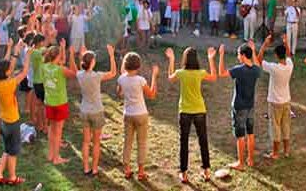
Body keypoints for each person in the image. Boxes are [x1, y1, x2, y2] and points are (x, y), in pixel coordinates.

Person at [165, 46, 217, 183]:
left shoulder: (181, 73)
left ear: (185, 59)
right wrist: (211, 59)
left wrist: (171, 60)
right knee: (203, 141)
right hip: (200, 110)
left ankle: (184, 173)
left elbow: (170, 78)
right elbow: (214, 77)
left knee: (184, 142)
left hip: (185, 111)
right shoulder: (200, 73)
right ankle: (206, 171)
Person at [0, 42, 33, 186]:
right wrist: (27, 55)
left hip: (3, 120)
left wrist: (15, 52)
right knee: (13, 152)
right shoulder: (9, 84)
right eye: (9, 69)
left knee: (7, 149)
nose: (11, 69)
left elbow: (8, 67)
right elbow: (24, 71)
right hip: (12, 121)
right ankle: (12, 177)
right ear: (6, 73)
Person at [218, 42, 261, 170]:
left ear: (243, 55)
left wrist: (221, 55)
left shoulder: (239, 70)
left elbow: (221, 73)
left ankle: (241, 163)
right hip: (250, 106)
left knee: (240, 135)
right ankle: (251, 160)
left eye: (238, 54)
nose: (237, 56)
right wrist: (253, 50)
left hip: (239, 107)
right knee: (251, 133)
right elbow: (257, 64)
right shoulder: (256, 70)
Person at [77, 45, 117, 176]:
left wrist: (81, 55)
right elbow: (113, 73)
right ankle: (94, 169)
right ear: (93, 62)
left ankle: (85, 168)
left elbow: (80, 67)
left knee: (85, 141)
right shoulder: (97, 76)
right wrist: (112, 55)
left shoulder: (79, 75)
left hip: (84, 110)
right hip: (97, 111)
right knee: (96, 142)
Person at [117, 52, 159, 181]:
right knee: (141, 143)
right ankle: (141, 172)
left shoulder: (121, 79)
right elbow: (152, 94)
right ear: (138, 66)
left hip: (128, 114)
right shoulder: (140, 80)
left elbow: (119, 93)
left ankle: (127, 169)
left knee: (127, 142)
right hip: (141, 114)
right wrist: (154, 77)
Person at [256, 34, 293, 159]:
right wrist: (286, 42)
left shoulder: (274, 68)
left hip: (274, 102)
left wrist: (265, 44)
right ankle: (287, 151)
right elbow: (289, 55)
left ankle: (275, 153)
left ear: (276, 55)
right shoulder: (289, 65)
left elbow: (259, 59)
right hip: (286, 100)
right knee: (286, 125)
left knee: (275, 127)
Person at [42, 41, 77, 164]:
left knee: (51, 129)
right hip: (60, 103)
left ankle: (51, 154)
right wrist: (71, 55)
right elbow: (74, 73)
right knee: (58, 131)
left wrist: (62, 49)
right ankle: (56, 158)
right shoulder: (60, 69)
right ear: (57, 56)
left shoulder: (44, 67)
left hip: (49, 102)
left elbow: (56, 62)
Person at [30, 34, 47, 134]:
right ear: (40, 42)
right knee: (43, 105)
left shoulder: (37, 50)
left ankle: (40, 125)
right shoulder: (36, 52)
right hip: (40, 81)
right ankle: (43, 126)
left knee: (40, 105)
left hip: (37, 81)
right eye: (43, 42)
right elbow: (46, 51)